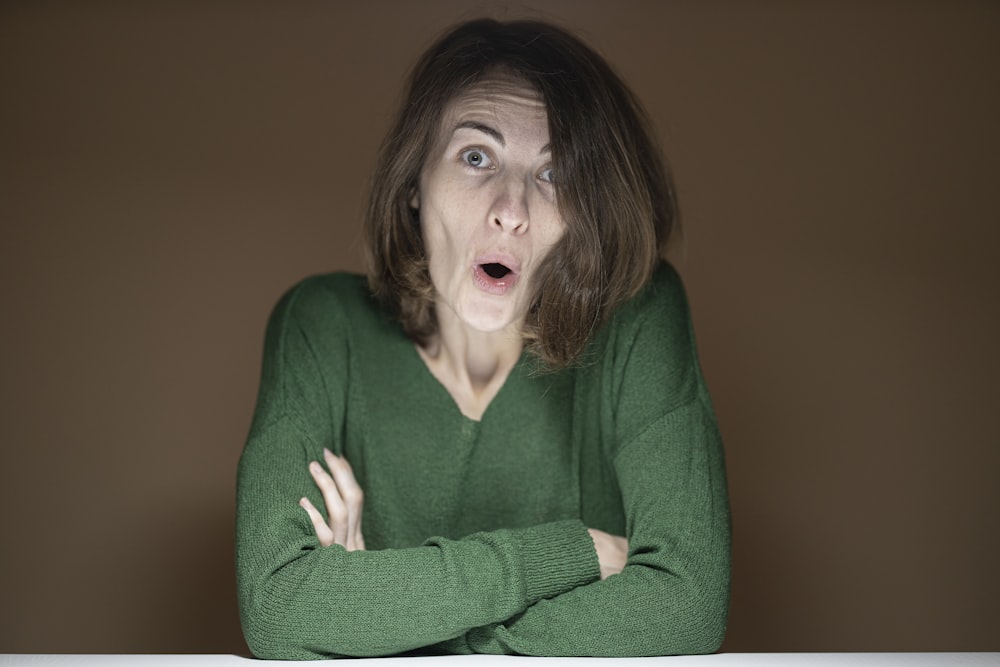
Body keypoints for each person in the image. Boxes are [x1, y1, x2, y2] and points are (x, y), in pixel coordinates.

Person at [236, 17, 730, 659]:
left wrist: (384, 620)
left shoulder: (639, 314)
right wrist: (572, 554)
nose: (512, 208)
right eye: (476, 157)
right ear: (413, 182)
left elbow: (686, 605)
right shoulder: (322, 324)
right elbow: (279, 607)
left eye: (555, 174)